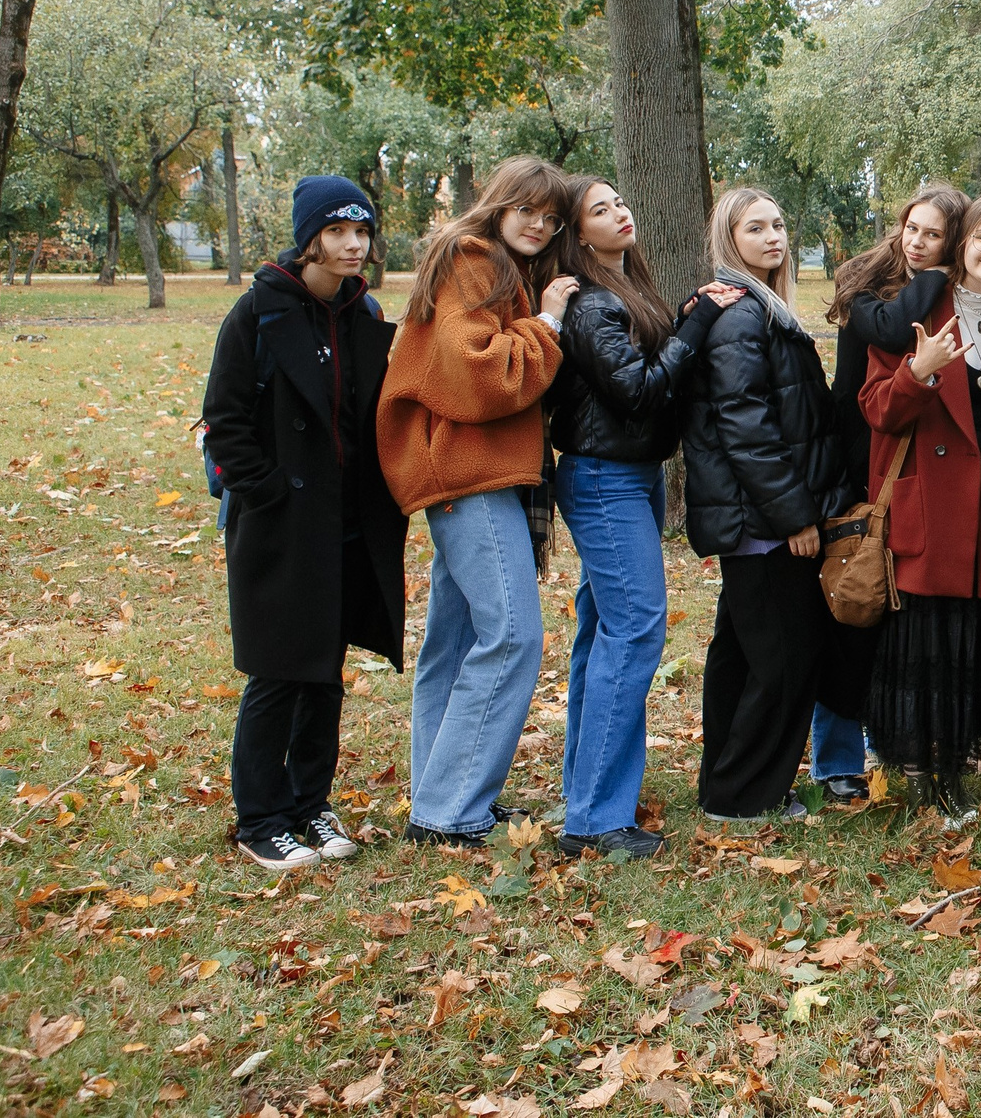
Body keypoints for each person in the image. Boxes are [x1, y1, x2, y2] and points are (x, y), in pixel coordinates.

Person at [203, 176, 409, 871]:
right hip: (283, 523)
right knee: (277, 671)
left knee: (324, 672)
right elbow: (224, 421)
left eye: (363, 232)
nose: (355, 245)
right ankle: (261, 818)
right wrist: (269, 493)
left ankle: (309, 802)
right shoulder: (258, 312)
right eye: (339, 232)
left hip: (348, 524)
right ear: (310, 237)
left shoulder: (362, 312)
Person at [377, 156, 578, 847]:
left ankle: (440, 797)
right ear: (498, 202)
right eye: (528, 208)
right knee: (514, 634)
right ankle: (452, 808)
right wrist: (547, 324)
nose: (540, 224)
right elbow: (479, 373)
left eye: (551, 217)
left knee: (457, 641)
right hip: (471, 472)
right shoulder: (473, 259)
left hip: (469, 472)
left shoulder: (488, 264)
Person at [546, 177, 742, 858]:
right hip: (604, 477)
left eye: (621, 202)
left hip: (632, 473)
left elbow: (649, 365)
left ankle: (589, 790)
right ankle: (597, 819)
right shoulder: (591, 304)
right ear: (577, 234)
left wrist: (686, 312)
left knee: (603, 630)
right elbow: (636, 391)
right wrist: (696, 323)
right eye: (599, 210)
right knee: (633, 630)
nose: (619, 213)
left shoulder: (625, 293)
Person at [682, 187, 867, 823]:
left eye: (779, 225)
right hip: (764, 525)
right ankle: (746, 796)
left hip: (760, 520)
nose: (772, 237)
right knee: (785, 661)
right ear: (727, 239)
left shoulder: (762, 310)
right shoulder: (741, 318)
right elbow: (747, 430)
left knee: (740, 656)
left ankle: (725, 788)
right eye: (754, 227)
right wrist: (795, 518)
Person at [859, 192, 981, 827]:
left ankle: (958, 763)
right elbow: (877, 409)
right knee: (926, 634)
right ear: (961, 244)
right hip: (930, 501)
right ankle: (920, 767)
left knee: (977, 636)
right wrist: (920, 370)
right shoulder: (917, 309)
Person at [813, 188, 960, 800]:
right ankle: (835, 755)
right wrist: (939, 273)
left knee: (891, 614)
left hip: (903, 463)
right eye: (912, 228)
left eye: (933, 235)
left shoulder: (942, 291)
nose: (916, 240)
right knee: (852, 603)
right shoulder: (870, 283)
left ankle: (886, 741)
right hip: (853, 459)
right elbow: (895, 328)